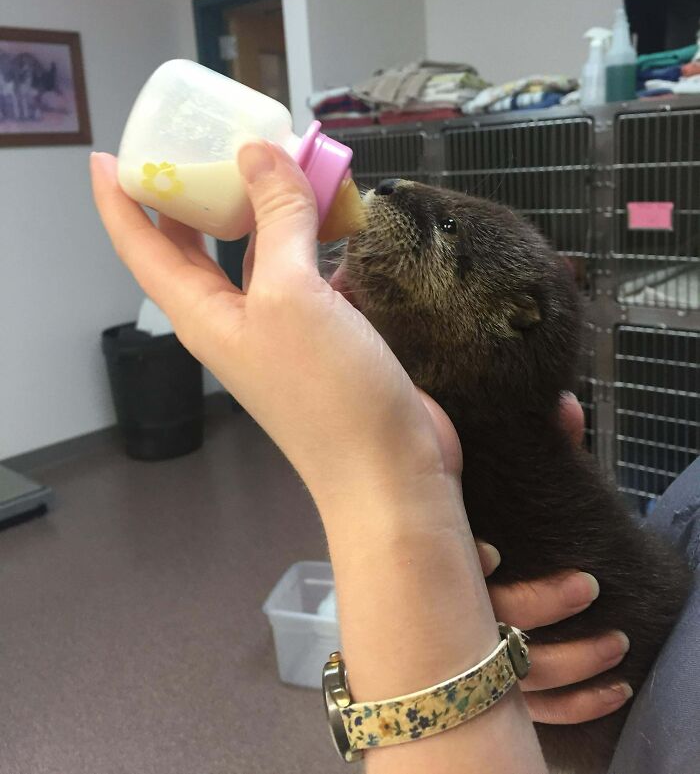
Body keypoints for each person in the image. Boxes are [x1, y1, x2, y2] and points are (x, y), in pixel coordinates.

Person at [90, 142, 683, 773]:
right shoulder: (491, 427)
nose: (396, 189)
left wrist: (373, 492)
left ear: (512, 317)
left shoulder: (484, 427)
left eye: (446, 230)